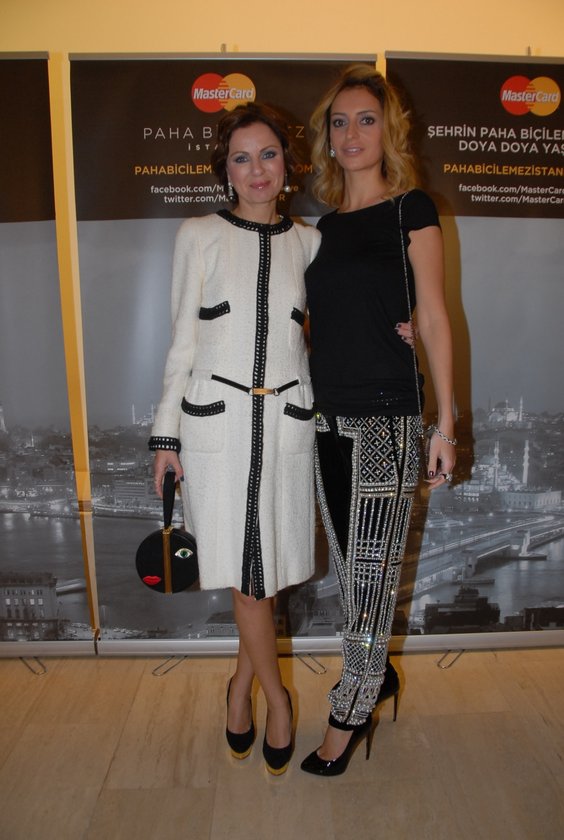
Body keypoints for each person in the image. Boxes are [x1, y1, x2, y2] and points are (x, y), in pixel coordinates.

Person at [149, 103, 321, 775]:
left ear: (287, 165)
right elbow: (181, 344)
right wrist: (165, 437)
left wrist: (404, 328)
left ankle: (239, 686)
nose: (256, 170)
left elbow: (330, 331)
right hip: (215, 429)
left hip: (284, 429)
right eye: (241, 158)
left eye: (268, 154)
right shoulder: (198, 235)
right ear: (225, 170)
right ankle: (277, 700)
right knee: (249, 579)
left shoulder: (309, 243)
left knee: (263, 575)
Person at [300, 64, 456, 776]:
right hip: (324, 422)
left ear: (387, 130)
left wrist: (445, 423)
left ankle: (350, 709)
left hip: (387, 422)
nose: (352, 133)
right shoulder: (324, 229)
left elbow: (434, 314)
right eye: (340, 122)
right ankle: (379, 676)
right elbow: (320, 323)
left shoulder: (410, 210)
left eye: (366, 119)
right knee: (352, 578)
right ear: (328, 138)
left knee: (369, 588)